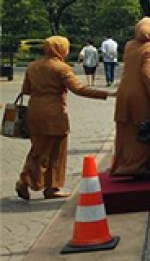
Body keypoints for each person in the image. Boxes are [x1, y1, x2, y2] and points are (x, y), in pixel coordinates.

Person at [15, 36, 115, 200]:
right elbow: (79, 89)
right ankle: (44, 185)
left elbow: (26, 89)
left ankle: (31, 181)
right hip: (54, 115)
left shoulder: (33, 66)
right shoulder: (61, 68)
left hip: (34, 112)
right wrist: (106, 94)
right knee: (56, 151)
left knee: (38, 149)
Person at [110, 18, 150, 180]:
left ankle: (122, 165)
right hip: (142, 96)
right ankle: (140, 168)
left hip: (124, 94)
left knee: (125, 132)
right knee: (144, 131)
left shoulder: (129, 46)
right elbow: (149, 76)